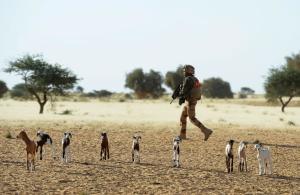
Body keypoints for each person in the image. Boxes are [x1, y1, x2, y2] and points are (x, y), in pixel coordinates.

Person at [178, 65, 213, 140]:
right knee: (183, 117)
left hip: (190, 101)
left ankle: (206, 130)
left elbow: (184, 91)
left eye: (185, 70)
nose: (184, 72)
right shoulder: (195, 79)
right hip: (191, 101)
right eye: (184, 70)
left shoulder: (188, 79)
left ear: (188, 71)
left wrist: (180, 96)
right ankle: (182, 135)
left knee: (192, 118)